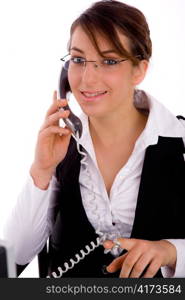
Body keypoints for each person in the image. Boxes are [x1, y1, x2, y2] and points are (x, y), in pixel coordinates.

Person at [4, 0, 185, 278]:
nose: (87, 79)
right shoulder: (62, 146)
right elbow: (14, 256)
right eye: (78, 60)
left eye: (109, 61)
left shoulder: (180, 141)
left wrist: (172, 252)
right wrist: (41, 170)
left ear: (139, 70)